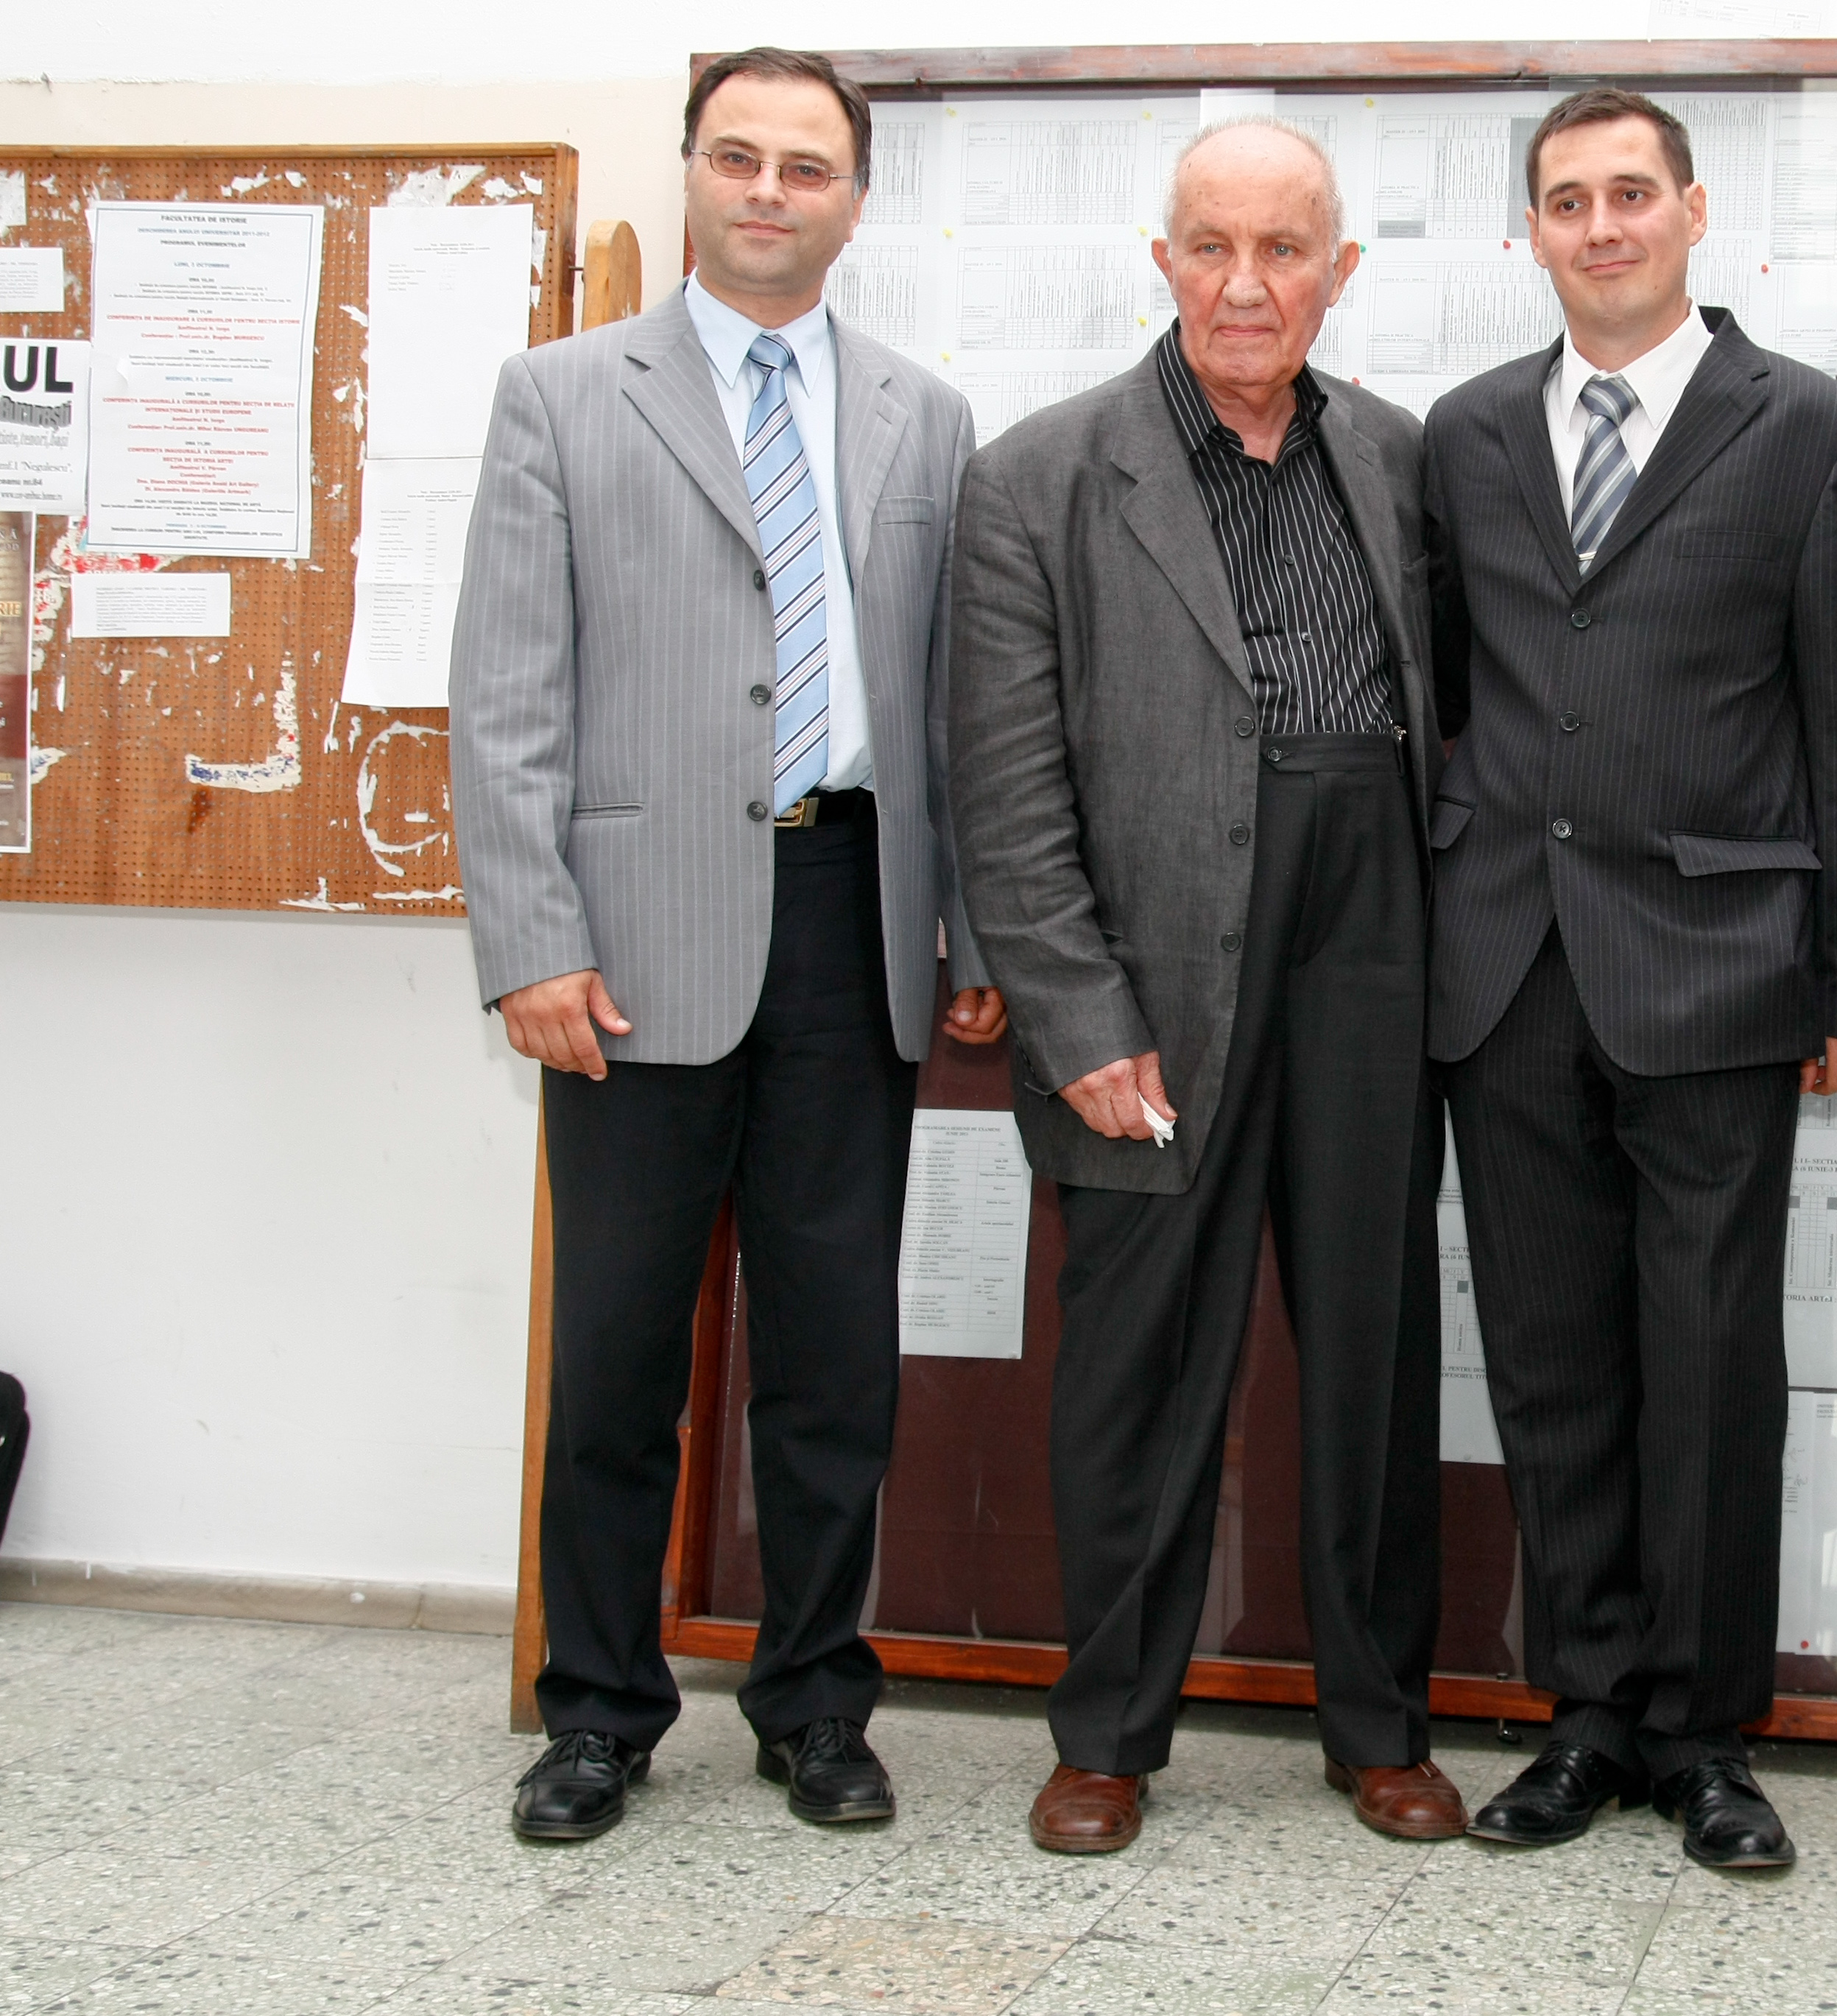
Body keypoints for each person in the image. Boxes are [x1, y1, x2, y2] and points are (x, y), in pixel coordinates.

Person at [452, 45, 1002, 1841]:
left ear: (854, 199)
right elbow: (506, 691)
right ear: (691, 171)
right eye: (739, 157)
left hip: (853, 917)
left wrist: (970, 924)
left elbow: (956, 699)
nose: (771, 190)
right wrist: (529, 938)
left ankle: (815, 1701)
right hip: (629, 939)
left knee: (834, 1355)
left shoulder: (925, 414)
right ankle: (599, 1709)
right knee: (618, 1354)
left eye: (806, 166)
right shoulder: (560, 395)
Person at [943, 119, 1458, 1855]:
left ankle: (1378, 1725)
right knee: (1137, 1377)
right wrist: (1080, 1022)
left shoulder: (1397, 458)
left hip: (1370, 957)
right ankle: (1105, 1733)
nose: (1247, 285)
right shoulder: (1039, 476)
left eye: (1284, 249)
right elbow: (1004, 788)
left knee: (1370, 1365)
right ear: (1160, 260)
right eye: (1213, 247)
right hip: (1148, 986)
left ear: (1338, 271)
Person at [1425, 88, 1837, 1869]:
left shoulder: (1813, 431)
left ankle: (1703, 1734)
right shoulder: (1467, 432)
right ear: (1530, 233)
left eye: (1632, 193)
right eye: (1567, 200)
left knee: (1705, 1361)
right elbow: (1454, 692)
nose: (1601, 225)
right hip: (1508, 964)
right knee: (1548, 1360)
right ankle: (1587, 1714)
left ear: (1694, 213)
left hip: (1718, 966)